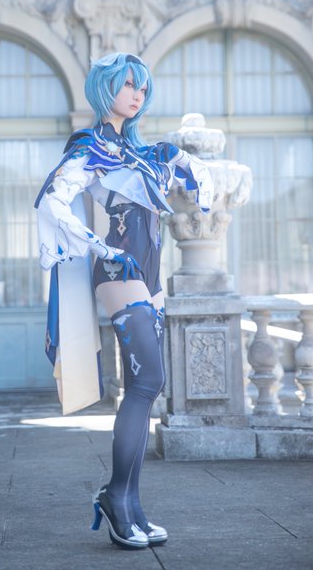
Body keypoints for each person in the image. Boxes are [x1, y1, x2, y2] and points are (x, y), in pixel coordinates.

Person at [35, 53, 213, 550]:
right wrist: (99, 246)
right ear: (105, 87)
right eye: (128, 85)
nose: (137, 94)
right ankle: (116, 496)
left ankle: (130, 505)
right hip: (119, 271)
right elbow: (51, 201)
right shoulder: (90, 147)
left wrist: (192, 171)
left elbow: (194, 177)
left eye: (143, 88)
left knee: (144, 386)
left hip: (148, 277)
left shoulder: (145, 153)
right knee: (148, 381)